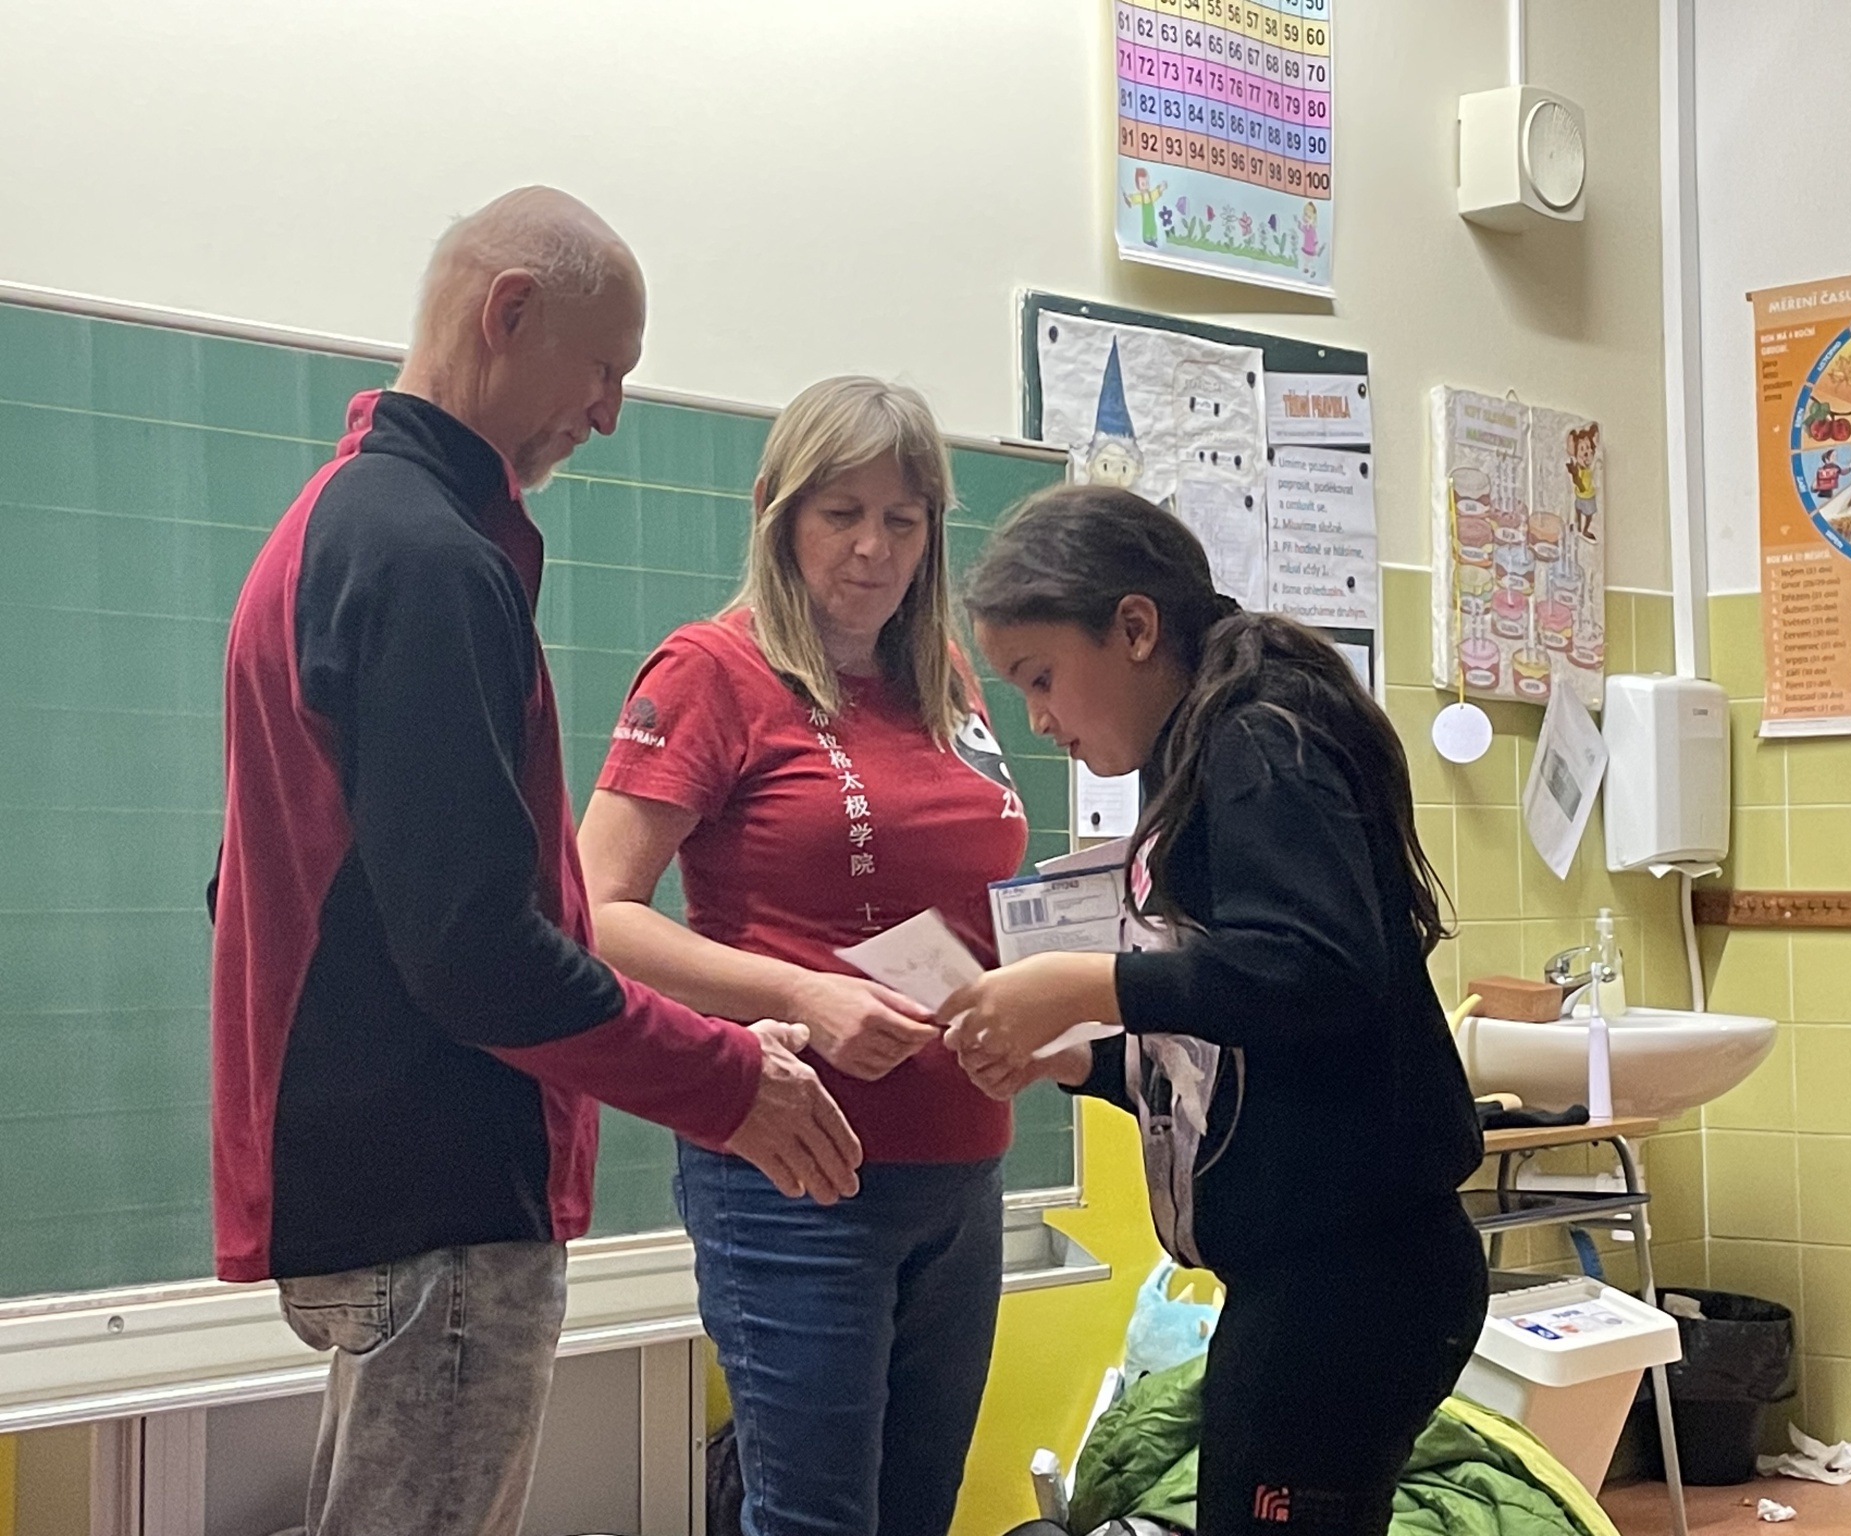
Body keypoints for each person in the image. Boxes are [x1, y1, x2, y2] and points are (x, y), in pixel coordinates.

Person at [209, 187, 860, 1536]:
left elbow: (268, 886)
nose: (610, 415)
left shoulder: (338, 524)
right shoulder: (424, 558)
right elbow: (473, 950)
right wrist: (723, 1078)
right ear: (509, 313)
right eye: (603, 370)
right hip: (436, 1198)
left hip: (381, 1184)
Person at [942, 484, 1487, 1536]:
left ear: (1135, 628)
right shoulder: (1204, 749)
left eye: (1042, 678)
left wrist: (1084, 983)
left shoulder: (1256, 737)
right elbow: (1235, 1053)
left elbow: (1316, 970)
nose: (1039, 720)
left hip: (1355, 1276)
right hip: (1320, 1274)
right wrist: (1080, 1058)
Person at [577, 376, 1031, 1536]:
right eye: (841, 514)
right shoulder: (709, 670)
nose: (873, 549)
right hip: (797, 1169)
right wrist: (798, 993)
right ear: (776, 511)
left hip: (962, 1165)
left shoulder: (942, 674)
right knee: (813, 1519)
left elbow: (963, 898)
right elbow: (594, 910)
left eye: (902, 519)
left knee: (917, 1512)